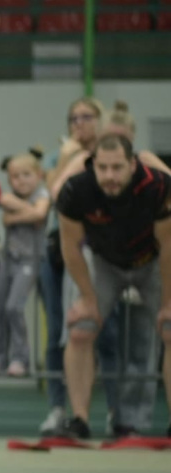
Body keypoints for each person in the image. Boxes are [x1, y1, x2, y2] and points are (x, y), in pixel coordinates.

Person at [49, 101, 171, 436]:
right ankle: (79, 419)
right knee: (80, 328)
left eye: (117, 168)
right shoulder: (76, 190)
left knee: (170, 327)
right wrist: (88, 299)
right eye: (102, 168)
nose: (110, 177)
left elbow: (169, 247)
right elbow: (71, 247)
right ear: (93, 165)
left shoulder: (157, 185)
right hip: (103, 262)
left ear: (132, 164)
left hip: (152, 261)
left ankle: (147, 422)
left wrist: (168, 302)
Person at [38, 97, 105, 434]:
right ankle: (58, 408)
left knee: (103, 332)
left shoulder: (110, 157)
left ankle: (113, 412)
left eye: (86, 117)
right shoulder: (57, 157)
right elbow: (53, 192)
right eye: (73, 118)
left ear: (101, 120)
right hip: (59, 249)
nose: (79, 123)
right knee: (58, 332)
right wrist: (68, 157)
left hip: (102, 250)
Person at [0, 150, 50, 377]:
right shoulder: (9, 197)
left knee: (14, 307)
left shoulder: (42, 194)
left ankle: (21, 358)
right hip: (8, 259)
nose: (21, 180)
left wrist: (25, 213)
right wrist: (30, 213)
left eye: (26, 174)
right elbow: (7, 215)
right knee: (2, 307)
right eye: (15, 177)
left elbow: (40, 213)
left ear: (38, 175)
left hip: (30, 260)